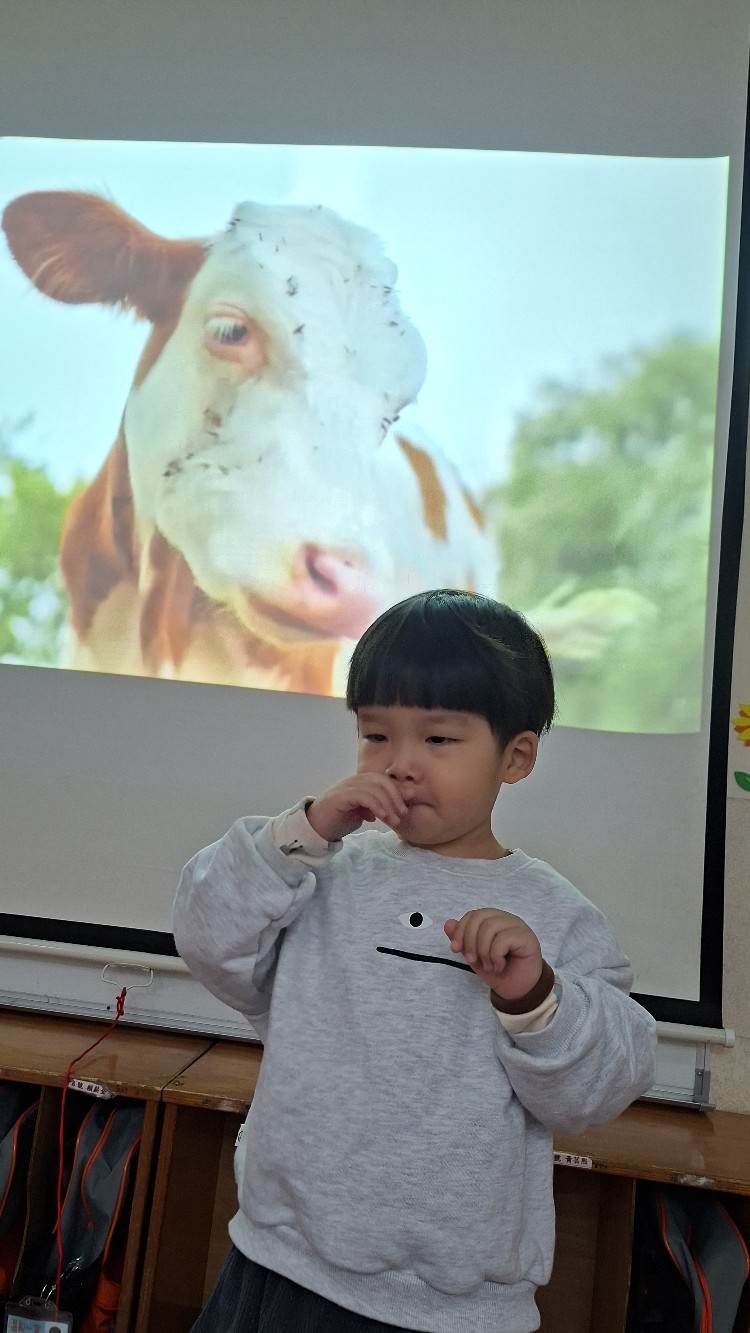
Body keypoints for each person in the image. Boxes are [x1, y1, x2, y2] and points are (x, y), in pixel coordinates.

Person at [173, 589, 656, 1333]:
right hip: (280, 1262)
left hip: (449, 1308)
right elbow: (209, 941)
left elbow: (598, 1090)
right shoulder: (323, 873)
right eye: (375, 735)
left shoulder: (554, 914)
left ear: (516, 756)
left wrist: (535, 997)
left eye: (438, 739)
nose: (400, 764)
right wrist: (302, 831)